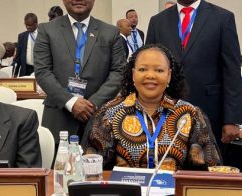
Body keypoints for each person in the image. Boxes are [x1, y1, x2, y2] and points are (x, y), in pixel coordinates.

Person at [146, 0, 242, 152]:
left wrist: (231, 119)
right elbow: (148, 67)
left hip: (210, 111)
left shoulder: (222, 19)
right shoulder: (157, 21)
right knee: (168, 162)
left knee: (207, 165)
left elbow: (231, 71)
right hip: (165, 111)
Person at [83, 44, 221, 171]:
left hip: (173, 190)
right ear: (133, 74)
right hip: (125, 190)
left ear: (169, 75)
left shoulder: (189, 114)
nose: (150, 75)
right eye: (142, 69)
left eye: (159, 70)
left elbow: (211, 170)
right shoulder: (110, 113)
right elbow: (91, 167)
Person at [34, 0, 126, 143]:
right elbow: (42, 72)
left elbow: (119, 72)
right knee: (59, 160)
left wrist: (92, 104)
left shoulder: (110, 32)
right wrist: (71, 102)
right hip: (59, 117)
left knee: (98, 160)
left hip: (99, 117)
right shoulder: (46, 30)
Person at [14, 12, 38, 77]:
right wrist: (15, 73)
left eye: (29, 25)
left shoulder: (43, 34)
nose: (27, 27)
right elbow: (18, 56)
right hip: (26, 70)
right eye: (26, 25)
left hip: (40, 69)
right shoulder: (22, 36)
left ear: (35, 24)